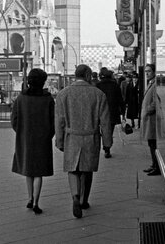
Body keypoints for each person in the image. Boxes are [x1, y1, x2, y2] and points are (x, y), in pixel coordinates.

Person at [55, 64, 113, 218]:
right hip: (90, 137)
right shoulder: (98, 94)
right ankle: (83, 200)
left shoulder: (63, 94)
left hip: (71, 137)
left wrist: (59, 140)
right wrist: (107, 142)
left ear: (75, 75)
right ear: (88, 76)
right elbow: (105, 121)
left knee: (72, 169)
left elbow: (59, 120)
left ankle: (74, 196)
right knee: (87, 170)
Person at [11, 68, 55, 215]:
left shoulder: (21, 98)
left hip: (25, 138)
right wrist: (48, 134)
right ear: (43, 82)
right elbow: (53, 120)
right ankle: (36, 202)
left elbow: (14, 119)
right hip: (42, 139)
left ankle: (29, 198)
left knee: (28, 170)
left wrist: (21, 131)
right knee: (39, 172)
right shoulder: (47, 98)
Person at [141, 63, 165, 176]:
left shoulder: (155, 85)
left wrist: (147, 110)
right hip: (150, 119)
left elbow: (156, 102)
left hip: (152, 119)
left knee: (153, 144)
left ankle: (157, 167)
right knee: (151, 143)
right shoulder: (151, 83)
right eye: (146, 71)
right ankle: (154, 164)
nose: (147, 73)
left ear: (154, 72)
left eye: (149, 71)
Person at [95, 67, 125, 158]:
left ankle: (101, 146)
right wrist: (123, 113)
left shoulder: (98, 85)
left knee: (100, 130)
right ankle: (107, 148)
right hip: (112, 111)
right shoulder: (115, 85)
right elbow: (120, 99)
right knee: (109, 131)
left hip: (99, 111)